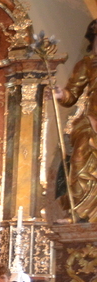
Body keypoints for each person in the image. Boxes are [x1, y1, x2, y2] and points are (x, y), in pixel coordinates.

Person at [53, 19, 97, 221]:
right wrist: (61, 94)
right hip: (91, 122)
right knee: (79, 161)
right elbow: (72, 94)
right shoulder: (87, 64)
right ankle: (79, 213)